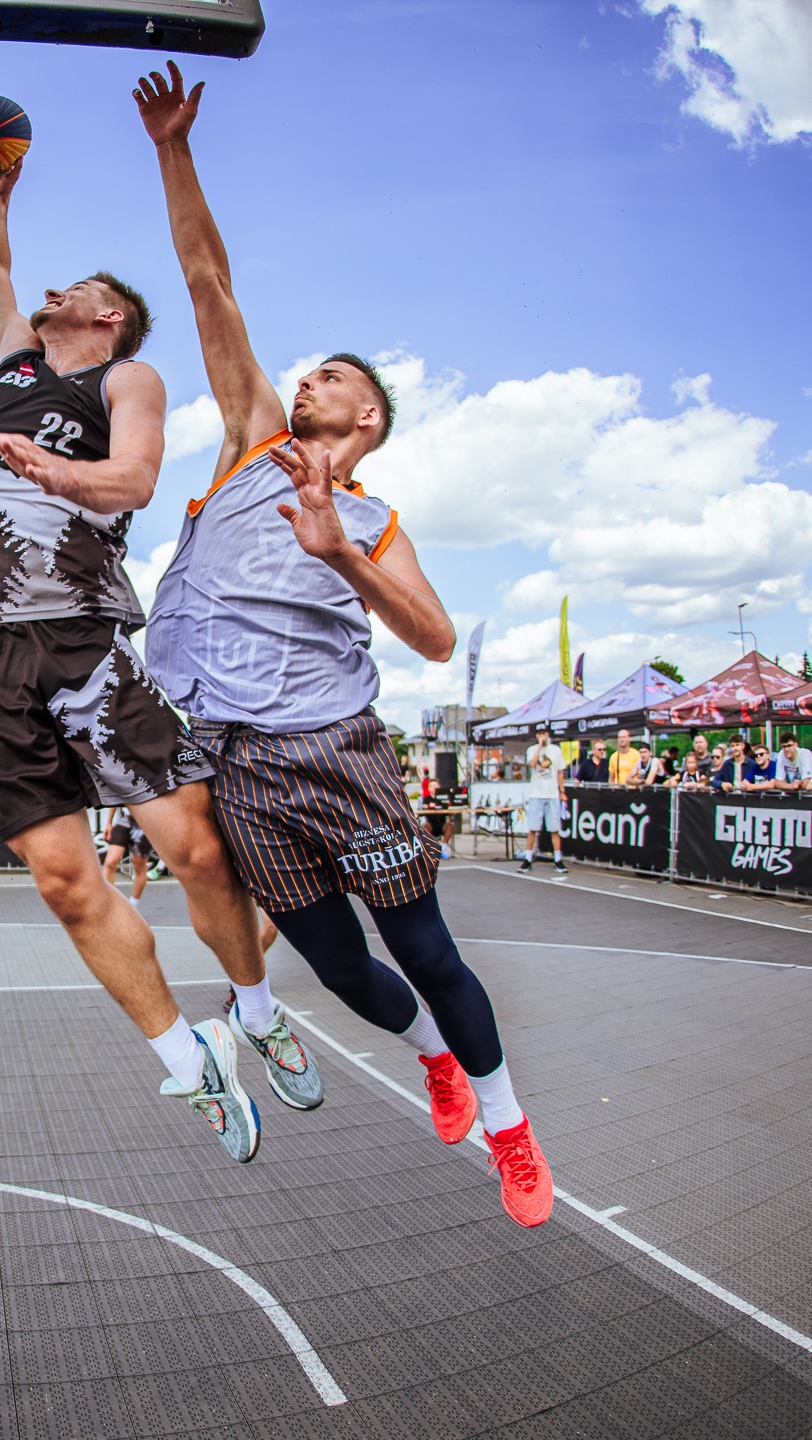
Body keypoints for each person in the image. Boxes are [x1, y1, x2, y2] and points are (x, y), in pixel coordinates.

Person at [135, 62, 553, 1222]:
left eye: (329, 376)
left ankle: (511, 1131)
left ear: (364, 418)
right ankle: (433, 1057)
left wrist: (340, 556)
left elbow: (435, 637)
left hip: (340, 750)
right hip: (239, 759)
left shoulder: (373, 519)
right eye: (305, 370)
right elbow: (208, 280)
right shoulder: (250, 444)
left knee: (428, 950)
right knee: (332, 968)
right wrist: (174, 147)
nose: (305, 378)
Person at [0, 120, 290, 1165]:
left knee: (194, 846)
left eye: (78, 288)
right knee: (62, 882)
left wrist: (43, 467)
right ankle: (190, 1061)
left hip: (80, 637)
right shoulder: (13, 361)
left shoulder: (124, 381)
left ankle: (256, 1010)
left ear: (107, 317)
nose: (47, 289)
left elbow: (135, 481)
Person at [521, 725, 567, 874]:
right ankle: (528, 858)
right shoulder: (532, 749)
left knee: (555, 828)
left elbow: (560, 772)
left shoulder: (556, 750)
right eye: (539, 733)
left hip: (552, 794)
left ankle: (558, 859)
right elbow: (532, 764)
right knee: (533, 828)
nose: (542, 736)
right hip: (536, 793)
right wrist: (540, 747)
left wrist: (562, 791)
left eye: (544, 733)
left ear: (548, 734)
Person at [100, 806, 157, 909]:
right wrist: (109, 822)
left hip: (143, 824)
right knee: (110, 862)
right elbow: (114, 798)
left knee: (139, 867)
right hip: (123, 821)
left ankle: (133, 905)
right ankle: (106, 904)